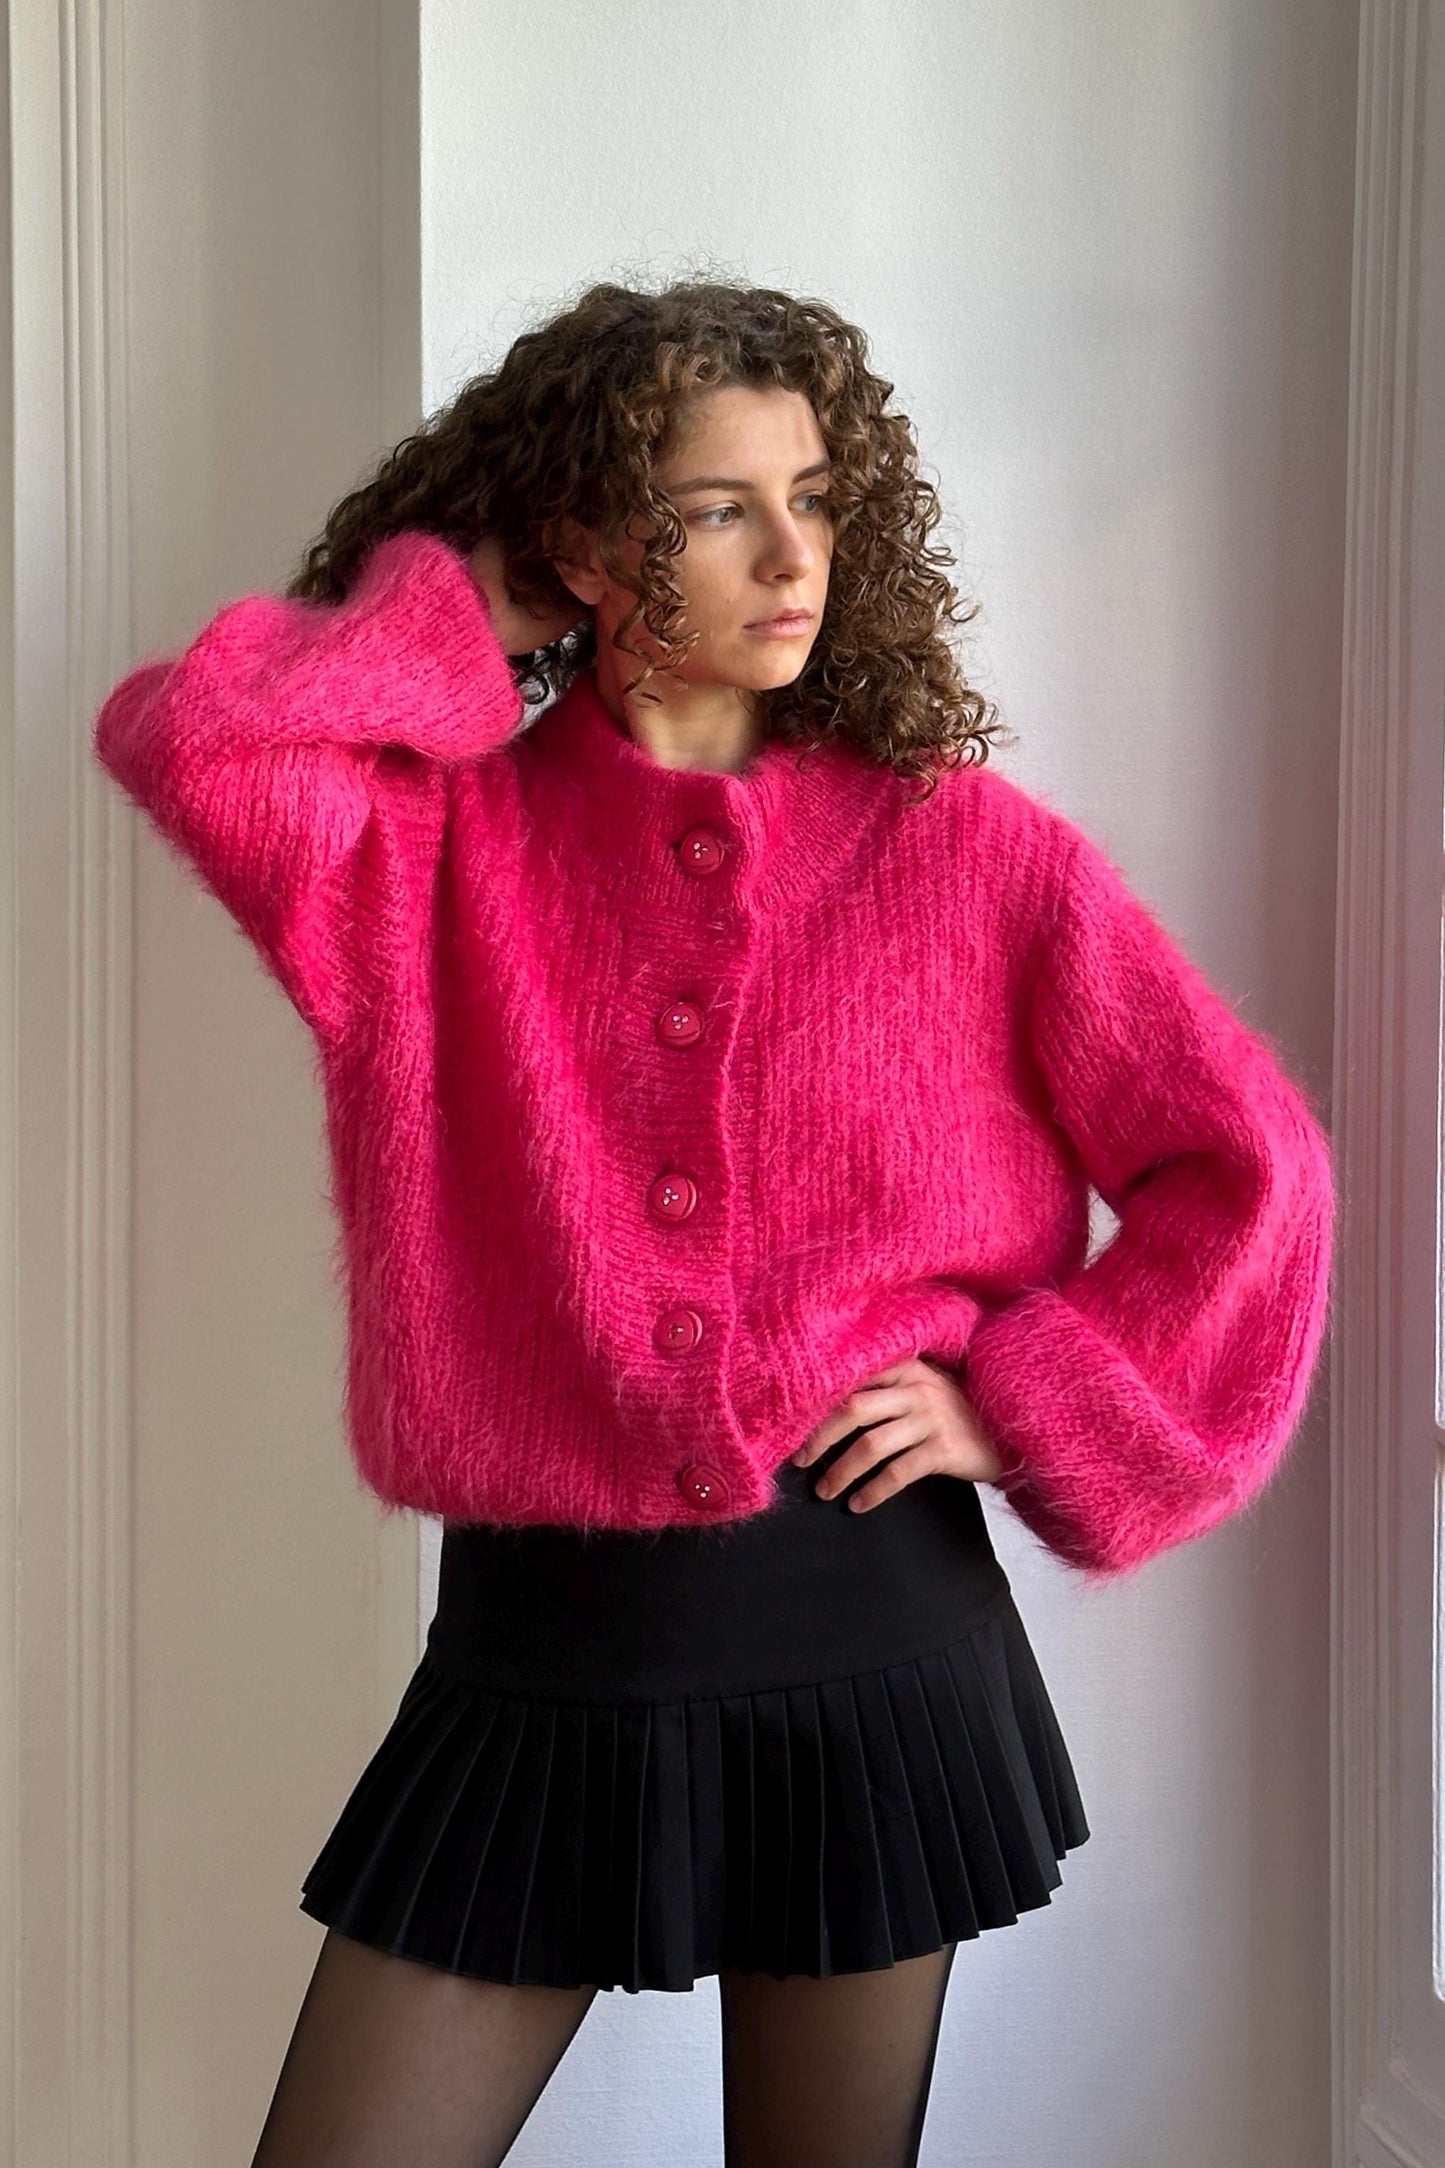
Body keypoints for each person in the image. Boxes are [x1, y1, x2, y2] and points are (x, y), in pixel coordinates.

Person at [91, 278, 1335, 2168]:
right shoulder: (426, 848)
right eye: (715, 509)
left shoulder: (960, 847)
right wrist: (468, 608)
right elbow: (200, 741)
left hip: (866, 1629)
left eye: (816, 498)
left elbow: (1246, 1164)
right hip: (541, 1646)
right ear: (587, 544)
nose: (792, 556)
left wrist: (1025, 1398)